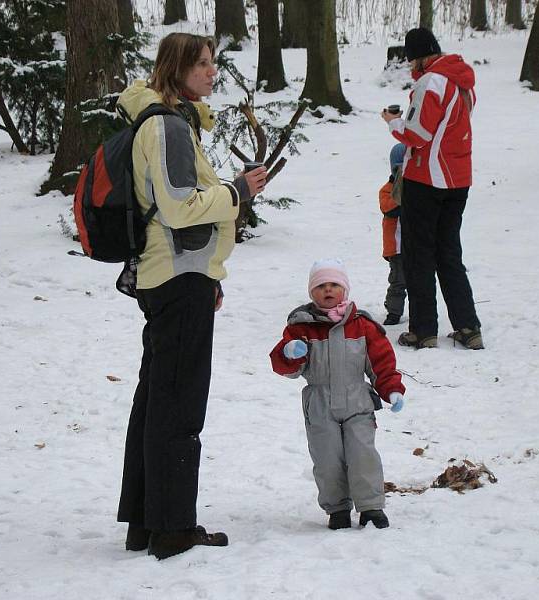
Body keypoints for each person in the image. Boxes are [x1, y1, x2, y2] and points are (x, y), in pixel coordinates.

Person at [115, 32, 267, 560]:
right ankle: (173, 528)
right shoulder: (167, 126)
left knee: (157, 400)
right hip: (178, 281)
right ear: (176, 68)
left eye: (213, 64)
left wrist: (211, 273)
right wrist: (237, 191)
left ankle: (145, 522)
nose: (211, 73)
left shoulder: (166, 122)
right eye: (202, 64)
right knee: (178, 406)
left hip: (176, 276)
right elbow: (180, 206)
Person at [270, 259, 406, 530]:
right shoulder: (301, 327)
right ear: (312, 293)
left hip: (357, 401)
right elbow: (284, 366)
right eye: (321, 286)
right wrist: (290, 352)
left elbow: (381, 362)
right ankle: (338, 509)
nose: (328, 290)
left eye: (334, 285)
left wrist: (391, 389)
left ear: (345, 290)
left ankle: (370, 507)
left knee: (362, 454)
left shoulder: (362, 325)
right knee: (327, 458)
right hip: (320, 404)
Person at [381, 27, 482, 350]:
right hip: (458, 178)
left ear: (421, 57)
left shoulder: (431, 82)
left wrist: (393, 122)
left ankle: (423, 330)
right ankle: (468, 326)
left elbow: (418, 134)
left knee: (418, 255)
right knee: (449, 252)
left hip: (426, 179)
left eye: (412, 61)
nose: (411, 68)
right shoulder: (463, 80)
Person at [379, 143, 408, 326]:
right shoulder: (387, 189)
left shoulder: (420, 189)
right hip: (396, 248)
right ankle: (394, 312)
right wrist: (402, 190)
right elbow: (388, 208)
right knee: (398, 281)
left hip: (416, 244)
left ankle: (421, 312)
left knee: (419, 281)